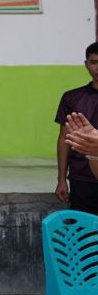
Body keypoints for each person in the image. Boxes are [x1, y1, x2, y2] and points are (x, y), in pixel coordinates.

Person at [55, 42, 98, 213]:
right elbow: (64, 141)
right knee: (84, 232)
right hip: (82, 177)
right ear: (86, 64)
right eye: (94, 62)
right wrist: (61, 179)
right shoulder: (72, 98)